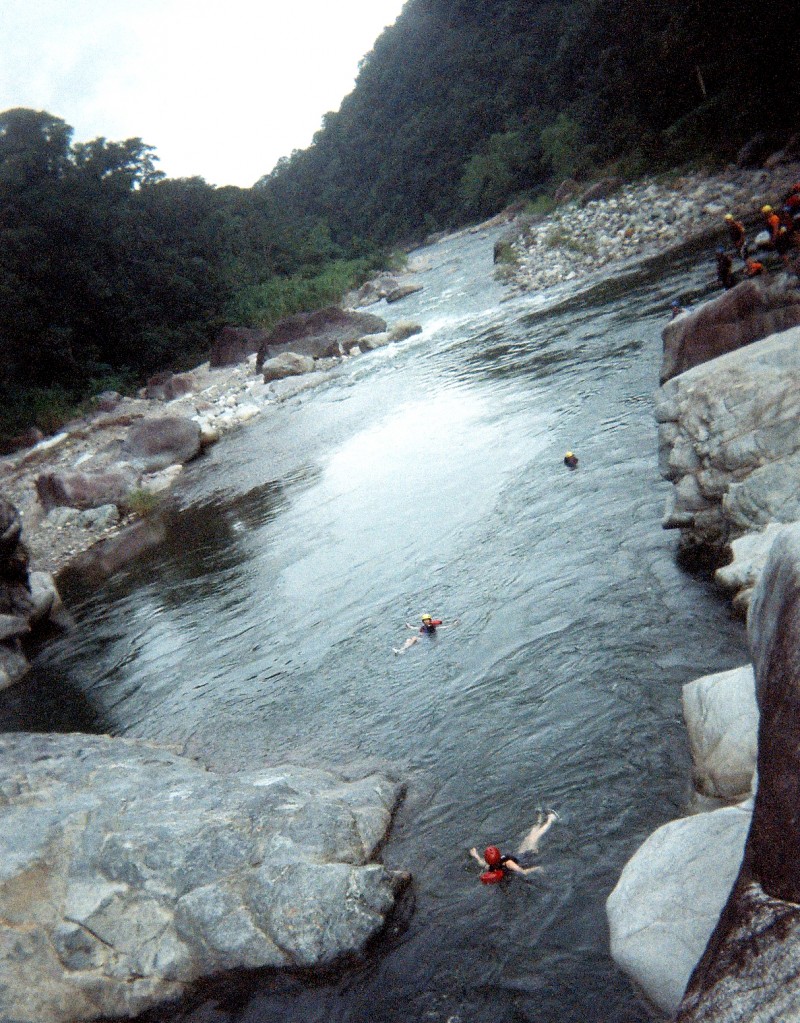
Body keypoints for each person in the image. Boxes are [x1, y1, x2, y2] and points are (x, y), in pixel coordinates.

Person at [470, 810, 559, 884]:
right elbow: (523, 872)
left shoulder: (498, 865)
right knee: (532, 837)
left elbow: (482, 863)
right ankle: (545, 820)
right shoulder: (501, 864)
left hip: (524, 855)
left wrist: (475, 855)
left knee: (532, 836)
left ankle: (545, 820)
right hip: (524, 855)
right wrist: (475, 855)